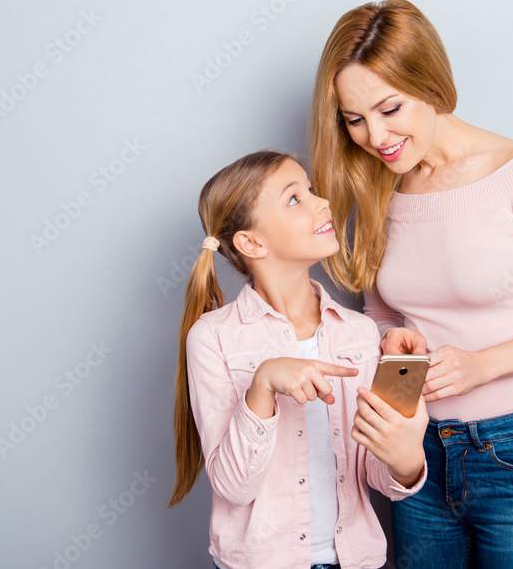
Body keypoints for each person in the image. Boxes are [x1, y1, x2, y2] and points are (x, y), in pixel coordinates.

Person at [308, 0, 513, 568]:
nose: (375, 136)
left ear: (427, 83)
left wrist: (482, 365)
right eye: (354, 119)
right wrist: (395, 347)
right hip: (416, 451)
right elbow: (384, 316)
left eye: (390, 108)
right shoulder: (382, 188)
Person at [169, 149, 429, 569]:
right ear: (251, 242)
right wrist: (263, 384)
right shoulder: (213, 338)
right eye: (295, 199)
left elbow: (380, 477)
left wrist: (406, 458)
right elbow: (234, 487)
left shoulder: (359, 333)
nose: (322, 201)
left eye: (310, 190)